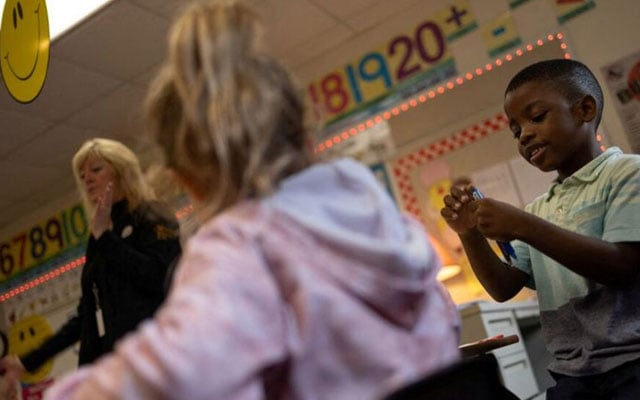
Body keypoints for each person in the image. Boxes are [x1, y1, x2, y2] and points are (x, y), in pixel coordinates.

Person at [43, 1, 460, 399]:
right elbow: (444, 321)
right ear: (303, 132)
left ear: (185, 178)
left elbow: (168, 377)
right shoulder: (371, 205)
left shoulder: (240, 245)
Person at [440, 58, 640, 399]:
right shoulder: (539, 209)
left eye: (536, 117)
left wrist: (523, 225)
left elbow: (622, 267)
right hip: (576, 372)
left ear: (585, 109)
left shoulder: (631, 172)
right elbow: (503, 288)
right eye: (516, 130)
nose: (525, 134)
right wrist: (469, 234)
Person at [0, 138, 181, 393]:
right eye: (82, 175)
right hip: (109, 373)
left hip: (153, 364)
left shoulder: (151, 215)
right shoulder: (97, 236)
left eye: (96, 169)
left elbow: (161, 278)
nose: (87, 179)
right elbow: (86, 314)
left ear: (121, 171)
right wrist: (27, 361)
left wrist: (106, 237)